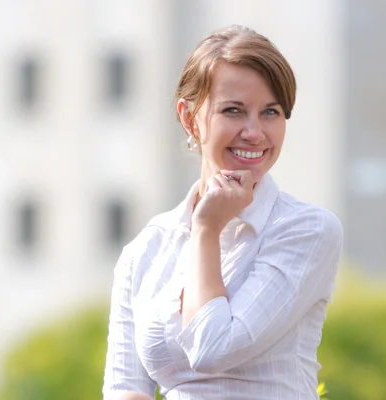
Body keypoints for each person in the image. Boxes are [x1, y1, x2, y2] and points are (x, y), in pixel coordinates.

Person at [102, 25, 343, 400]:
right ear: (189, 117)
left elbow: (212, 348)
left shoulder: (305, 230)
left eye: (271, 112)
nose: (254, 132)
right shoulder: (145, 250)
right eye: (233, 111)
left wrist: (206, 231)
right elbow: (125, 390)